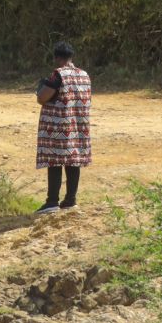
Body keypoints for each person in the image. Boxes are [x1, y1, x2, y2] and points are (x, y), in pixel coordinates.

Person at [35, 41, 92, 211]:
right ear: (71, 56)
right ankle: (70, 200)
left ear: (58, 58)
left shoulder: (58, 74)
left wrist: (40, 90)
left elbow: (43, 97)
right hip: (78, 124)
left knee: (55, 161)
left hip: (58, 125)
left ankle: (52, 201)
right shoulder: (84, 75)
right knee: (73, 160)